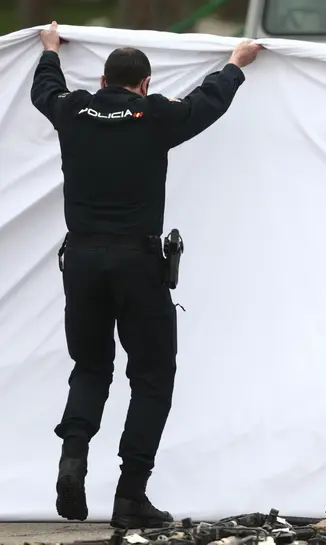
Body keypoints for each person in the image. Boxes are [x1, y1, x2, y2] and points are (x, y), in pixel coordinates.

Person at [30, 22, 263, 529]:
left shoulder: (72, 111)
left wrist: (50, 51)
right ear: (145, 84)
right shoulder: (154, 116)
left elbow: (44, 89)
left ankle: (73, 458)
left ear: (103, 80)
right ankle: (130, 495)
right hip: (138, 264)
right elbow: (206, 103)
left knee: (91, 368)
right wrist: (235, 64)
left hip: (83, 261)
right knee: (152, 377)